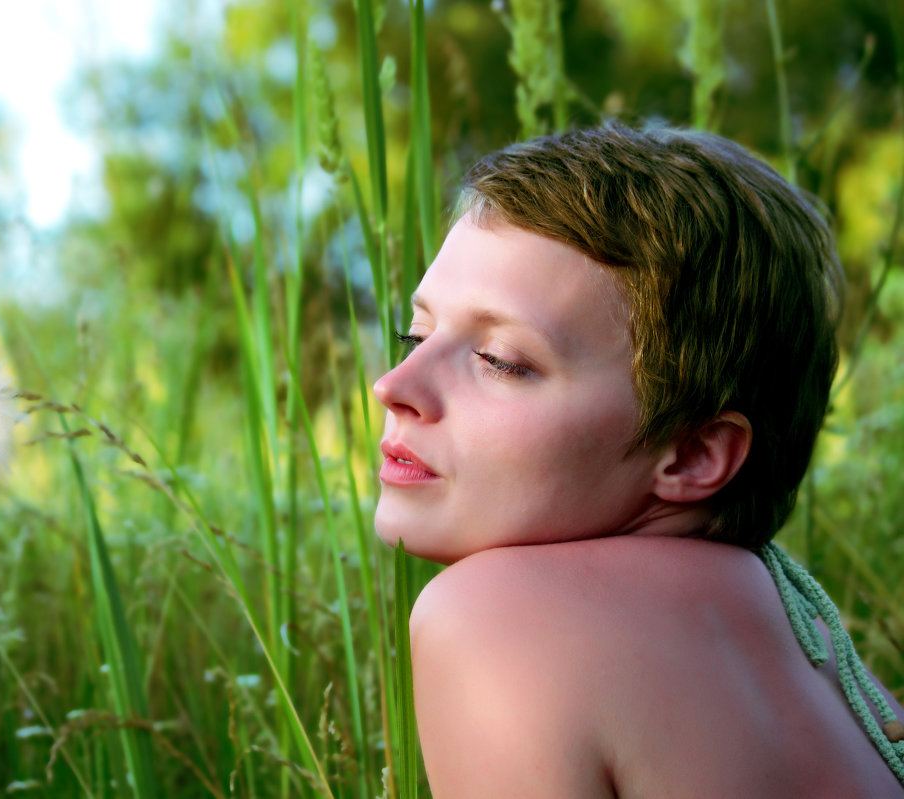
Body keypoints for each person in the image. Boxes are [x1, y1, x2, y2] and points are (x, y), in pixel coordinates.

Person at [373, 123, 904, 797]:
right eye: (414, 334)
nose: (395, 385)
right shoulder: (820, 648)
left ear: (691, 452)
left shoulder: (494, 613)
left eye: (500, 360)